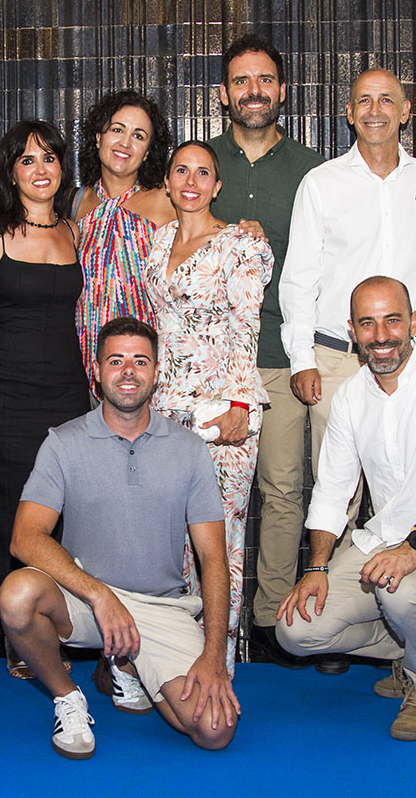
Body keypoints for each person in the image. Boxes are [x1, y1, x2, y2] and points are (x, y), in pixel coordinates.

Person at [0, 317, 239, 760]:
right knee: (17, 595)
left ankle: (124, 663)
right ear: (97, 370)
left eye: (140, 361)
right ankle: (68, 697)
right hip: (88, 603)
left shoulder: (189, 449)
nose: (128, 371)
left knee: (214, 730)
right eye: (116, 360)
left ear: (156, 371)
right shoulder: (63, 442)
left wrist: (214, 655)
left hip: (162, 608)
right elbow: (25, 538)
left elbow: (213, 558)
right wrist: (100, 595)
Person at [276, 276, 416, 740]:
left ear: (414, 323)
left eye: (392, 320)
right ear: (352, 330)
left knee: (403, 591)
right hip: (383, 541)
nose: (381, 336)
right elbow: (332, 489)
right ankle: (409, 648)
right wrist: (316, 567)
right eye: (368, 323)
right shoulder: (350, 396)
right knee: (295, 631)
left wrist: (413, 547)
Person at [278, 68, 416, 662]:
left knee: (412, 482)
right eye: (363, 101)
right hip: (338, 356)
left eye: (387, 100)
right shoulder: (322, 183)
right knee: (341, 489)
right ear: (348, 113)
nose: (375, 110)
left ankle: (406, 609)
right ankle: (339, 606)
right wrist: (302, 358)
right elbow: (299, 277)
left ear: (406, 111)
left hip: (411, 355)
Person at [207, 34, 324, 668]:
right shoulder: (199, 164)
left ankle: (273, 623)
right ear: (224, 94)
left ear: (282, 89)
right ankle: (200, 617)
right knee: (202, 495)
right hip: (211, 363)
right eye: (241, 81)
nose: (254, 91)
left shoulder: (314, 170)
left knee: (282, 490)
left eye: (265, 80)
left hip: (280, 353)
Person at [145, 141, 273, 674]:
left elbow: (248, 327)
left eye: (203, 173)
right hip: (165, 409)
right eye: (182, 171)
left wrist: (241, 403)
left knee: (220, 541)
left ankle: (218, 661)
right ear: (168, 183)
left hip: (224, 411)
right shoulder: (158, 241)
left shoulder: (240, 245)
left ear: (217, 187)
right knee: (171, 538)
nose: (192, 181)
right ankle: (175, 656)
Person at [0, 120, 92, 677]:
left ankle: (54, 622)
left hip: (68, 393)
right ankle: (15, 630)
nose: (40, 169)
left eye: (49, 158)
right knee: (10, 506)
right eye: (27, 160)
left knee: (62, 512)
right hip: (9, 395)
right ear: (10, 172)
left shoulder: (74, 230)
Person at [73, 90, 175, 382]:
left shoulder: (166, 201)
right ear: (98, 137)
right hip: (88, 365)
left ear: (148, 152)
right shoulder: (76, 203)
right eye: (117, 130)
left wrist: (245, 231)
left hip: (148, 369)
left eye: (138, 136)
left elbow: (209, 238)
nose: (126, 143)